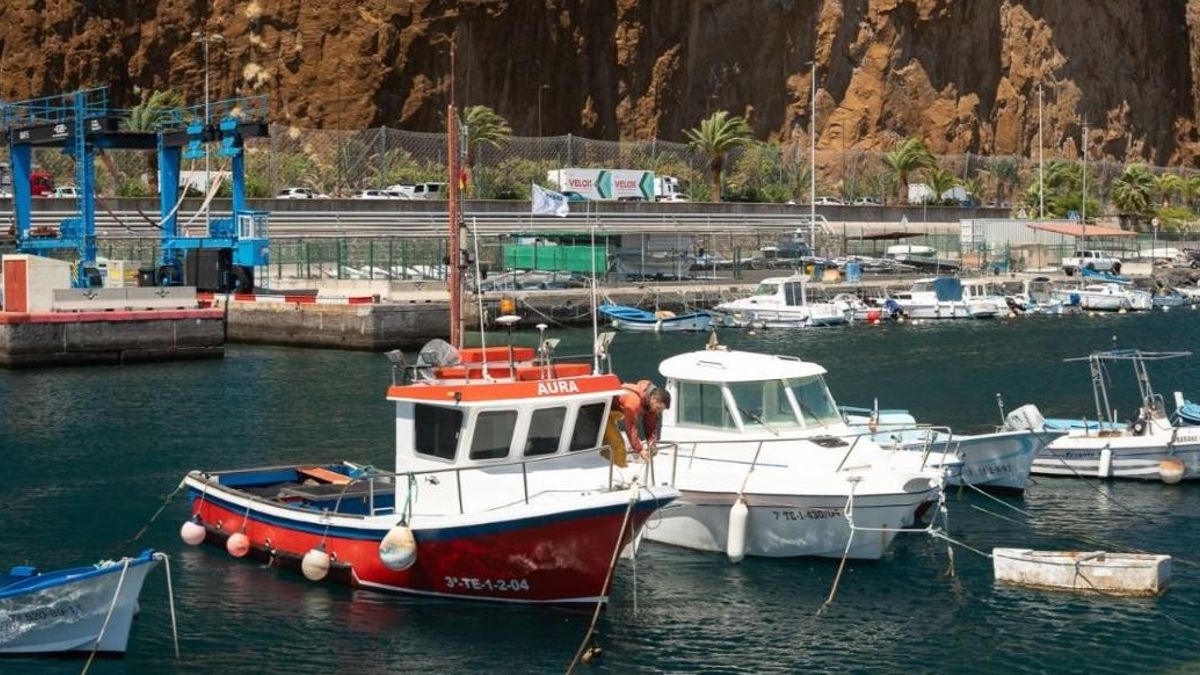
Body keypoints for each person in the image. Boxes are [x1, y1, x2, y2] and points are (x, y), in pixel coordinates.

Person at [603, 380, 671, 466]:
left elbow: (650, 424)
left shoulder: (648, 401)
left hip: (618, 412)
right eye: (658, 408)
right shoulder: (634, 401)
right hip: (605, 412)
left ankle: (616, 463)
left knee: (624, 442)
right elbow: (631, 427)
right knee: (617, 443)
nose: (659, 411)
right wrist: (639, 450)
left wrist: (652, 443)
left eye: (661, 410)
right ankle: (618, 468)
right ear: (653, 399)